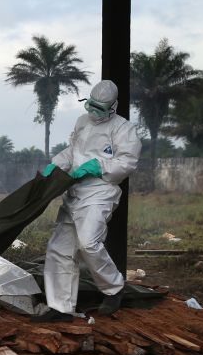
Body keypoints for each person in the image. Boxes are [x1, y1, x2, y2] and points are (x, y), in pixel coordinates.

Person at [36, 80, 142, 322]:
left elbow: (127, 162)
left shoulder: (124, 129)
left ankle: (114, 287)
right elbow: (72, 151)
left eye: (100, 108)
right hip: (74, 191)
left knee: (88, 243)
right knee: (59, 248)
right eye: (91, 105)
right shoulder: (82, 122)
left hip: (99, 192)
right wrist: (56, 164)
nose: (94, 112)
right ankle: (60, 307)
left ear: (113, 107)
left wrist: (99, 165)